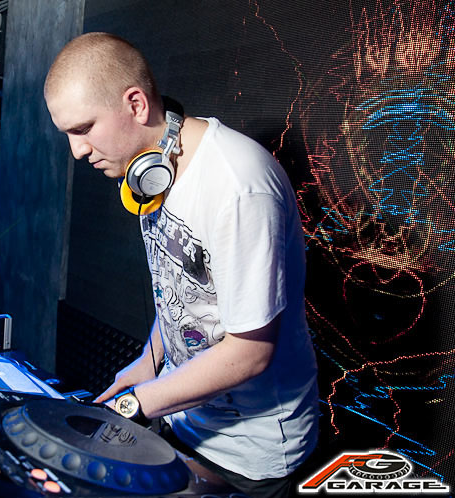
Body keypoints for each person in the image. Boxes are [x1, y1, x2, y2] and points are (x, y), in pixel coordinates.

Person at [44, 32, 319, 497]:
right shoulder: (152, 174)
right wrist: (149, 361)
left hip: (249, 455)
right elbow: (181, 286)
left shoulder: (238, 187)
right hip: (185, 419)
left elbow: (250, 352)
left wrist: (136, 405)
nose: (78, 151)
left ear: (135, 104)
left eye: (84, 128)